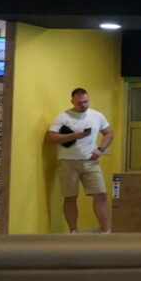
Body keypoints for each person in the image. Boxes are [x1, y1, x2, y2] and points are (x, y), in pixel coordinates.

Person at [45, 88, 114, 233]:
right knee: (70, 197)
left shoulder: (97, 115)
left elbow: (108, 133)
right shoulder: (63, 117)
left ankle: (106, 232)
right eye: (79, 103)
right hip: (67, 161)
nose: (83, 105)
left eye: (86, 102)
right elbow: (51, 138)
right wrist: (76, 135)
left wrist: (100, 149)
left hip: (91, 161)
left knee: (101, 195)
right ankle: (73, 232)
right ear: (72, 101)